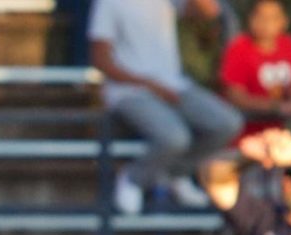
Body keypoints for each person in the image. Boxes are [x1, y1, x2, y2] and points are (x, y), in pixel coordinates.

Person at [87, 0, 243, 214]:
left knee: (227, 123)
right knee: (175, 137)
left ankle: (176, 174)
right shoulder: (108, 3)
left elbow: (209, 12)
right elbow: (101, 60)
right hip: (129, 91)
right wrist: (150, 85)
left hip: (173, 86)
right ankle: (133, 179)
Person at [216, 0, 291, 235]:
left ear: (283, 21)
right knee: (238, 214)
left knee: (282, 213)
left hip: (279, 149)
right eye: (261, 16)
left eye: (273, 17)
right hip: (243, 148)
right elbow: (235, 95)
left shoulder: (288, 46)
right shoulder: (240, 48)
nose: (267, 23)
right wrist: (278, 106)